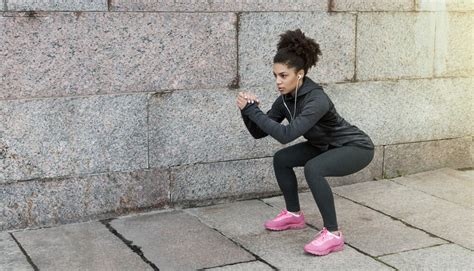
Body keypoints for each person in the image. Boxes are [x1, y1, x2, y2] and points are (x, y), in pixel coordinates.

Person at [236, 29, 375, 256]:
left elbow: (285, 135)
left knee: (314, 169)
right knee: (282, 159)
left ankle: (333, 234)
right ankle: (293, 215)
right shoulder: (286, 99)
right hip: (324, 145)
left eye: (284, 76)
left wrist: (253, 111)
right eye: (275, 76)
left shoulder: (316, 98)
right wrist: (247, 111)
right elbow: (258, 133)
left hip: (355, 147)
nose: (278, 82)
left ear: (299, 74)